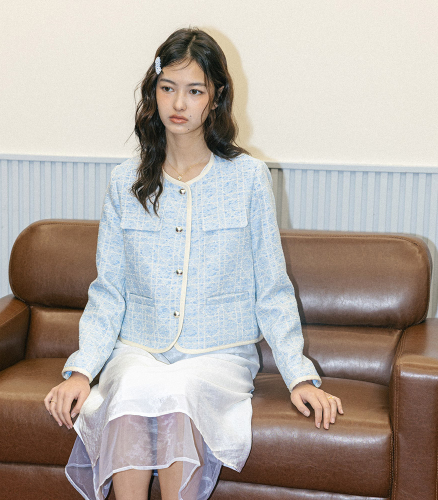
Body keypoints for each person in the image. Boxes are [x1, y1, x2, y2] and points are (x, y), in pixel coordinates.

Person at [44, 27, 343, 500]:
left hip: (219, 353)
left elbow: (272, 286)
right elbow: (108, 291)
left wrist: (299, 375)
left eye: (195, 91)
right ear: (154, 92)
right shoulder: (125, 182)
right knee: (130, 391)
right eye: (168, 88)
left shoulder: (248, 178)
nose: (179, 103)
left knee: (179, 395)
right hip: (139, 348)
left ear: (216, 96)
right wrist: (81, 370)